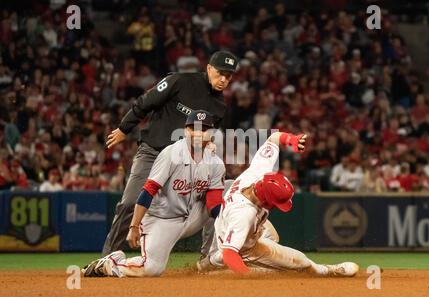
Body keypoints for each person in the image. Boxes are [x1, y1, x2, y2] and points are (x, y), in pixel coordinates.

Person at [102, 51, 238, 257]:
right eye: (220, 73)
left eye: (228, 76)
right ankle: (106, 257)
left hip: (183, 163)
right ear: (209, 68)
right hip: (153, 151)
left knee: (214, 195)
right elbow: (145, 102)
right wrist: (124, 128)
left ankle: (209, 259)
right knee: (130, 202)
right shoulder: (179, 81)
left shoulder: (219, 106)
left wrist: (209, 143)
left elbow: (205, 134)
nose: (224, 79)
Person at [82, 110, 225, 277]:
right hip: (161, 219)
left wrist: (233, 221)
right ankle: (110, 263)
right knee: (151, 269)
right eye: (194, 128)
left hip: (191, 217)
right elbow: (148, 190)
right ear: (186, 130)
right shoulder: (171, 153)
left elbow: (214, 205)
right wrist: (134, 226)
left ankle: (215, 257)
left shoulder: (215, 162)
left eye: (204, 129)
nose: (198, 133)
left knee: (230, 193)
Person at [196, 131, 359, 276]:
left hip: (229, 224)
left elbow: (274, 138)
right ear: (265, 200)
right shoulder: (244, 214)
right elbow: (230, 254)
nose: (277, 207)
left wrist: (292, 140)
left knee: (273, 236)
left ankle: (209, 263)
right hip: (242, 245)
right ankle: (326, 270)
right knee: (300, 262)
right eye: (276, 203)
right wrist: (247, 276)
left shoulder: (258, 173)